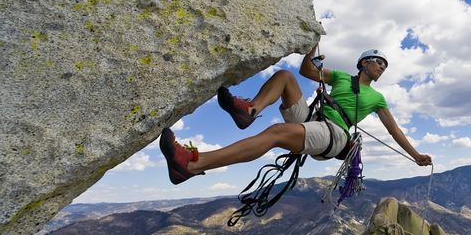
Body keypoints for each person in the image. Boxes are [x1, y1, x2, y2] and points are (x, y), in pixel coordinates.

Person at [160, 44, 433, 184]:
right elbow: (306, 71)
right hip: (314, 120)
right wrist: (312, 47)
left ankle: (193, 164)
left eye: (385, 65)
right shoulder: (339, 76)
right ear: (364, 63)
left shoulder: (377, 98)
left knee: (276, 133)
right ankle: (250, 111)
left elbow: (394, 130)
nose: (382, 67)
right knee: (286, 77)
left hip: (334, 134)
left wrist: (416, 155)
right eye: (378, 62)